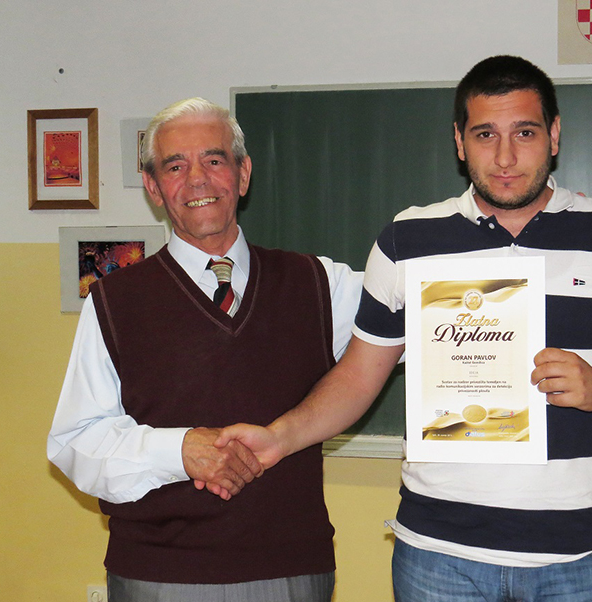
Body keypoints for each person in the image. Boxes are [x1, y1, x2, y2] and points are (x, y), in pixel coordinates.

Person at [215, 56, 592, 601]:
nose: (506, 156)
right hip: (440, 555)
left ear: (555, 135)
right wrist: (279, 437)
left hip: (585, 554)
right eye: (485, 134)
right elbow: (358, 376)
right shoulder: (407, 240)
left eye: (525, 132)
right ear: (459, 142)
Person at [47, 97, 363, 602]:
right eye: (175, 166)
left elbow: (426, 314)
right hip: (158, 576)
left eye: (214, 160)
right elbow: (75, 442)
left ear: (243, 174)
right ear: (153, 187)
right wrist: (180, 450)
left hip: (290, 571)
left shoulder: (320, 284)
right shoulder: (112, 300)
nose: (197, 180)